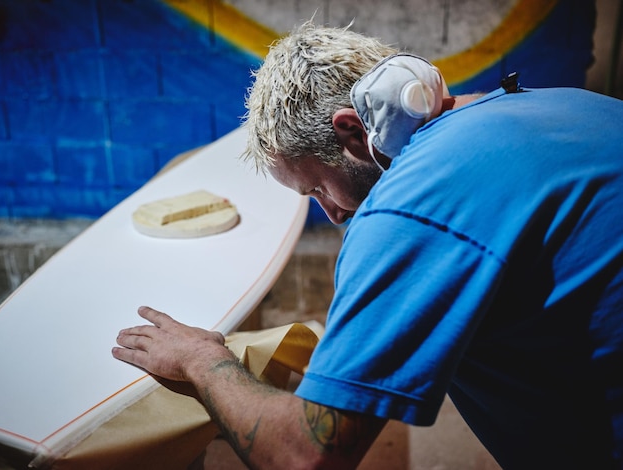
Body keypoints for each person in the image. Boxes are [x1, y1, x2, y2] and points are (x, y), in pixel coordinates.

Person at [112, 22, 623, 469]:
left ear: (354, 131)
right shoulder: (566, 102)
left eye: (315, 188)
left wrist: (204, 361)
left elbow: (305, 455)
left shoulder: (408, 210)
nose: (331, 214)